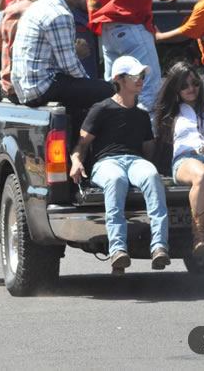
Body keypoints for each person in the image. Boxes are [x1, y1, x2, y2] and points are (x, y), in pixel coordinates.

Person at [69, 56, 169, 274]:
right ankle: (117, 250)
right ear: (119, 79)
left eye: (141, 75)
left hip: (135, 161)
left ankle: (159, 246)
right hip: (107, 163)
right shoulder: (101, 109)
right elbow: (82, 144)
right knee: (116, 180)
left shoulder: (142, 115)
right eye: (134, 76)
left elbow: (148, 151)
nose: (140, 79)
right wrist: (76, 161)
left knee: (152, 176)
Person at [153, 62, 204, 263]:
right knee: (202, 175)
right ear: (176, 89)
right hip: (185, 159)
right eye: (184, 85)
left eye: (195, 83)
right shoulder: (170, 113)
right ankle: (199, 238)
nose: (191, 88)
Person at [11, 0, 113, 111]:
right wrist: (91, 85)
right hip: (42, 88)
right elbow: (70, 66)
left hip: (27, 89)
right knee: (111, 91)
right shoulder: (59, 14)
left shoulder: (39, 6)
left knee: (85, 95)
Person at [0, 0, 56, 102]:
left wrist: (3, 21)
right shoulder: (57, 13)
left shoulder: (13, 8)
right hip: (45, 87)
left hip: (13, 89)